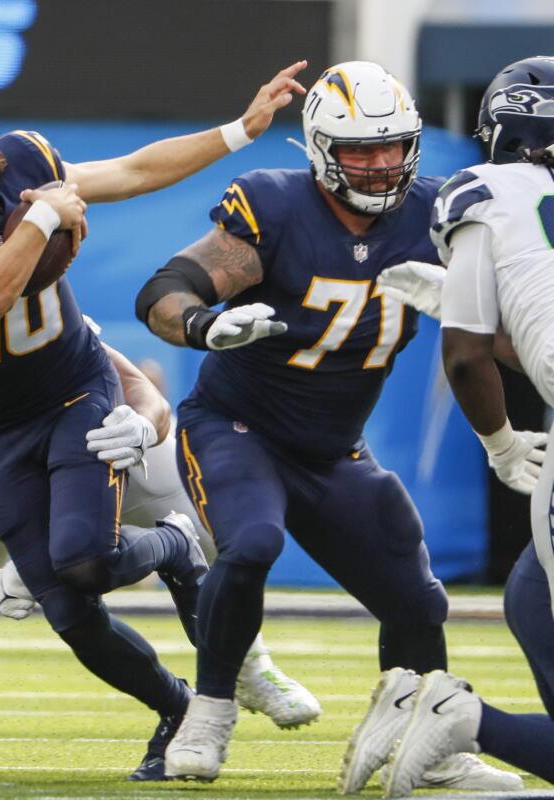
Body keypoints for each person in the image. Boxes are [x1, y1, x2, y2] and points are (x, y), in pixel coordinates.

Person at [0, 65, 307, 780]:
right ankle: (174, 710)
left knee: (86, 562)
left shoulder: (27, 165)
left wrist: (237, 131)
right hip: (3, 429)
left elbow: (129, 171)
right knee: (67, 612)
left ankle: (179, 548)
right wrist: (41, 219)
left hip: (73, 392)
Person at [135, 60, 519, 791]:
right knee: (250, 541)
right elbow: (165, 290)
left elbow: (510, 339)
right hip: (236, 425)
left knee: (417, 601)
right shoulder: (275, 206)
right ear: (318, 150)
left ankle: (422, 739)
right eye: (359, 151)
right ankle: (210, 709)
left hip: (334, 449)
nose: (379, 166)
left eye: (392, 147)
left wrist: (470, 307)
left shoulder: (437, 216)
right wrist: (207, 326)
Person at [0, 315, 319, 774]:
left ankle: (250, 667)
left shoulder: (30, 327)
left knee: (209, 532)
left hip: (85, 435)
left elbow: (138, 386)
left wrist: (140, 424)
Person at [346, 56, 554, 798]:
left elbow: (468, 356)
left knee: (531, 591)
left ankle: (445, 711)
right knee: (532, 590)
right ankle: (457, 717)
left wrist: (499, 443)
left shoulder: (485, 190)